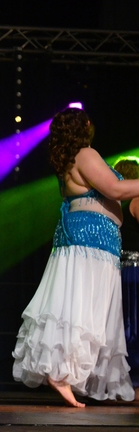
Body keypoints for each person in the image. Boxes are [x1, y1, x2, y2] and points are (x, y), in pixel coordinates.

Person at [13, 108, 138, 407]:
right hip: (90, 245)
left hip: (91, 244)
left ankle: (70, 375)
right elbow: (115, 189)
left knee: (83, 308)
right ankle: (61, 374)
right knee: (82, 309)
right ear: (84, 127)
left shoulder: (71, 158)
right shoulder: (85, 154)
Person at [114, 157, 139, 399]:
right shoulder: (137, 200)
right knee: (133, 325)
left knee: (126, 325)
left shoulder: (114, 206)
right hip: (134, 271)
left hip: (121, 271)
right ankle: (134, 382)